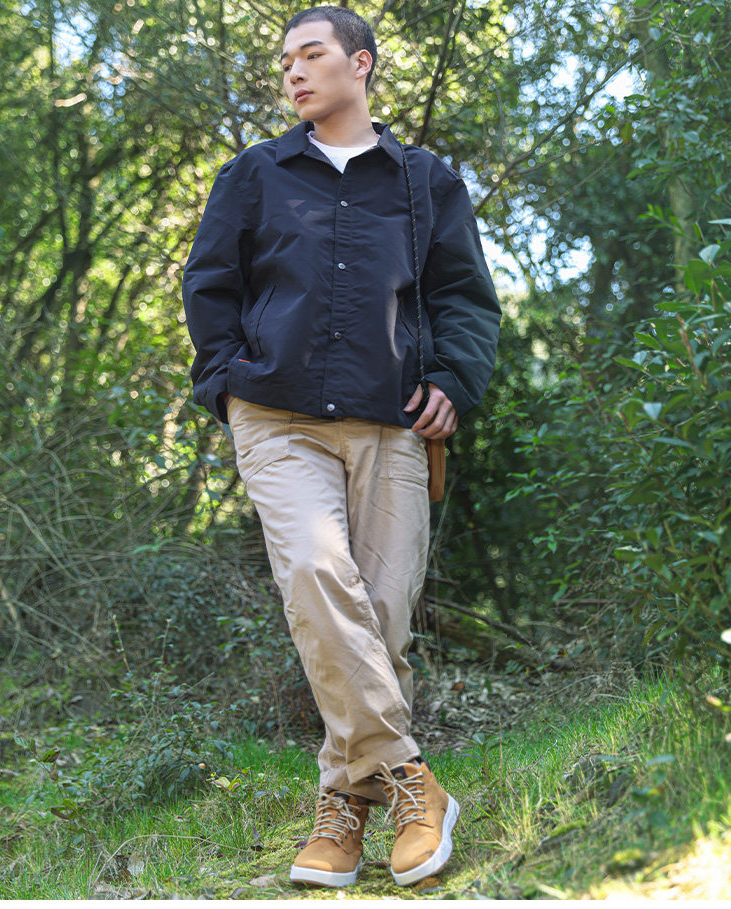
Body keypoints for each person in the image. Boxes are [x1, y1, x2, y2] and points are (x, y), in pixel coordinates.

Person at [182, 4, 501, 889]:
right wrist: (226, 381)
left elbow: (464, 295)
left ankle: (343, 807)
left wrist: (453, 380)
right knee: (318, 573)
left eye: (310, 53)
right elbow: (210, 282)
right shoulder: (255, 174)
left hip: (392, 421)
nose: (292, 70)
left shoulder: (425, 181)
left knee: (382, 617)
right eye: (285, 59)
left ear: (361, 63)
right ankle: (412, 781)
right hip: (275, 415)